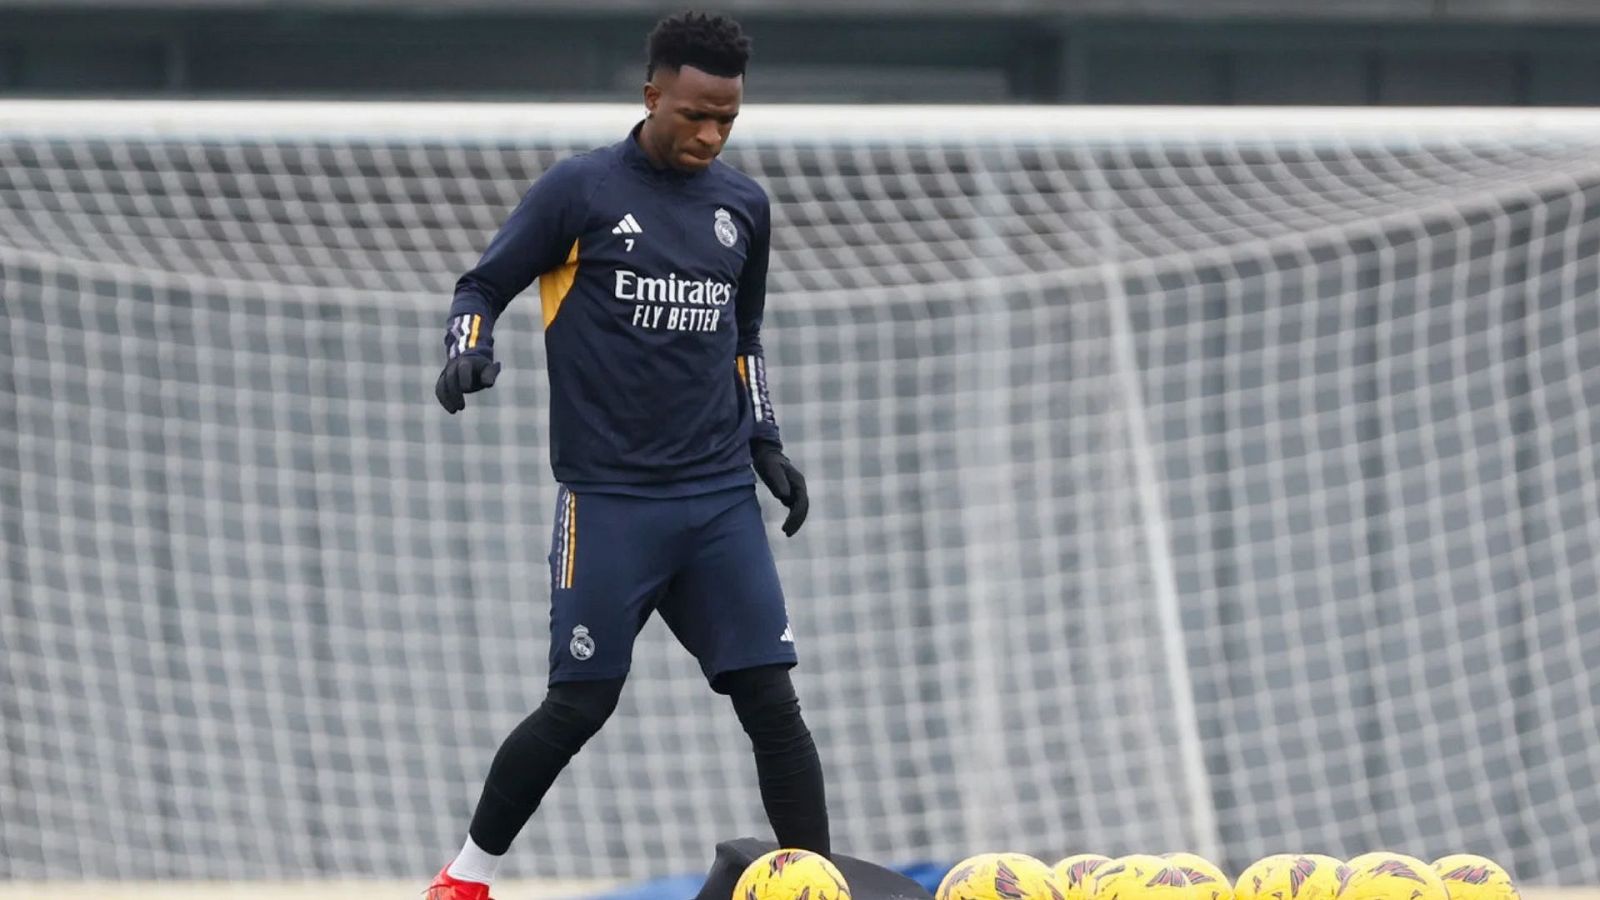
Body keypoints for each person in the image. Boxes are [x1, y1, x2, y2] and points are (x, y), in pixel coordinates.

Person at [426, 10, 830, 899]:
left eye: (728, 117)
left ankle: (819, 886)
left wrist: (766, 439)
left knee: (772, 701)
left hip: (719, 500)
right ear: (653, 95)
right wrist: (467, 344)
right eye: (695, 113)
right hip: (609, 501)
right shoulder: (580, 192)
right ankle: (463, 879)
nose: (711, 133)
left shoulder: (743, 209)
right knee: (582, 702)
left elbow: (744, 335)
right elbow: (483, 284)